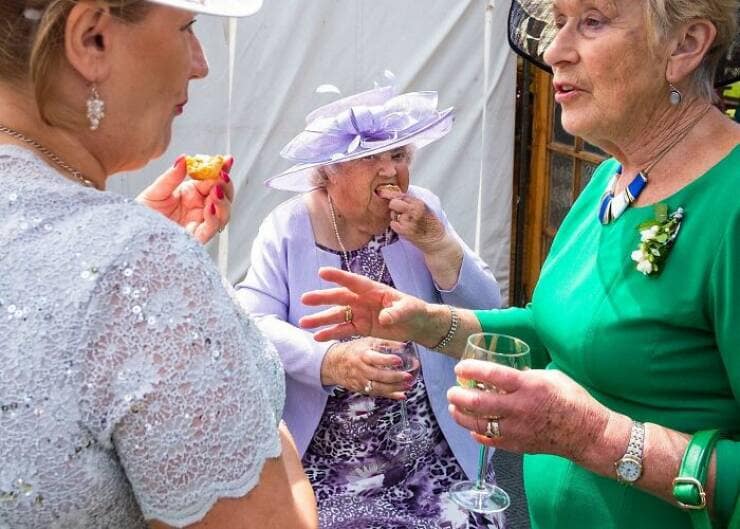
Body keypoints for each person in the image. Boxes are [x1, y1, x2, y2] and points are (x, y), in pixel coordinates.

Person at [298, 1, 740, 528]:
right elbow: (559, 332)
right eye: (560, 22)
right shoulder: (612, 179)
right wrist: (424, 321)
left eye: (592, 21)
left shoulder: (732, 203)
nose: (555, 51)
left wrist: (594, 437)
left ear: (685, 44)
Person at [0, 1, 318, 528]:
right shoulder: (140, 263)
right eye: (186, 27)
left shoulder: (126, 257)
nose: (200, 64)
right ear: (91, 38)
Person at [236, 85, 504, 528]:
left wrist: (438, 245)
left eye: (398, 155)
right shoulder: (287, 227)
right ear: (328, 173)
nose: (389, 170)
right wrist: (330, 360)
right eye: (368, 157)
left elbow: (486, 312)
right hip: (324, 464)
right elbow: (252, 324)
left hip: (431, 455)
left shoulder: (423, 213)